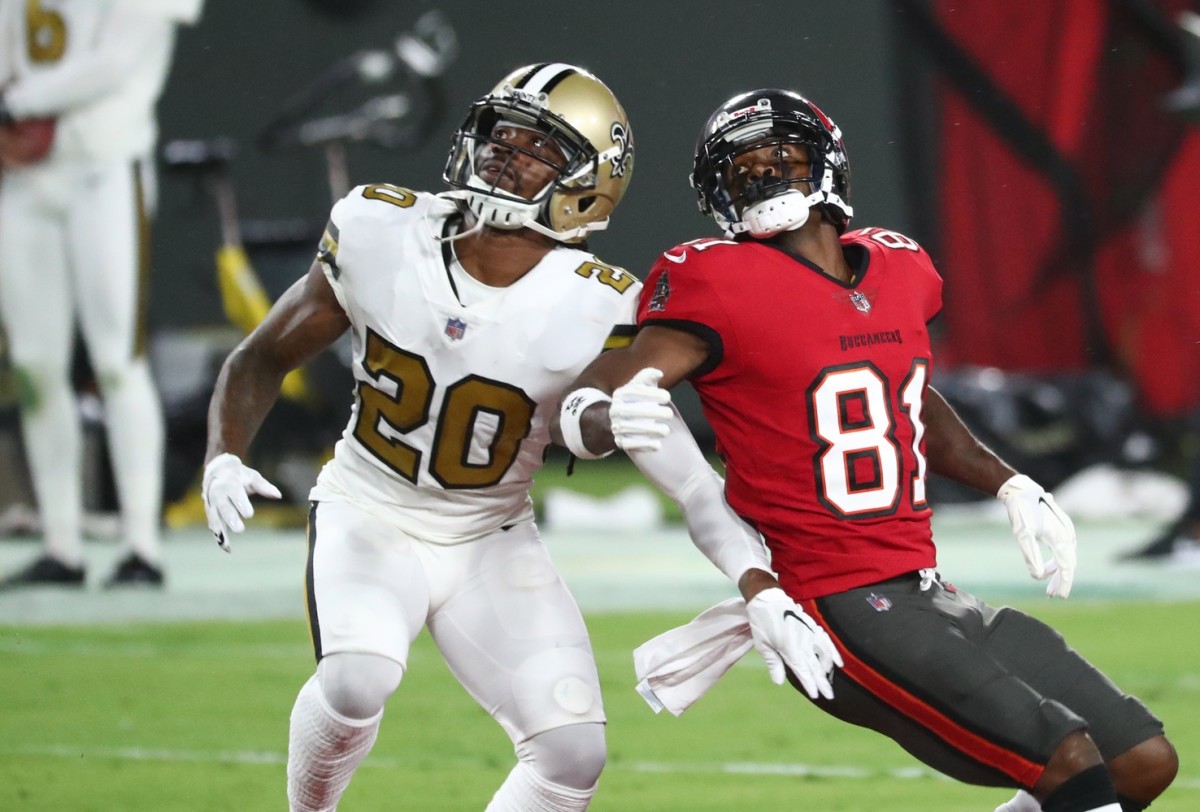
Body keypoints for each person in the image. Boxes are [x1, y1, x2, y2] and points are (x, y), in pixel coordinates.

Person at [201, 63, 819, 812]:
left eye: (538, 147)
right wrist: (223, 455)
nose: (504, 152)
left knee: (573, 754)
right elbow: (263, 355)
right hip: (370, 506)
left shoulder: (605, 304)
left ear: (589, 184)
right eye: (502, 133)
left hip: (491, 531)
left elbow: (689, 480)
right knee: (356, 677)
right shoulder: (378, 227)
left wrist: (758, 587)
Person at [554, 88, 1179, 812]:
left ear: (827, 164)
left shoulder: (899, 266)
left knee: (1141, 761)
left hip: (924, 586)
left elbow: (901, 397)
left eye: (778, 157)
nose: (759, 177)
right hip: (835, 603)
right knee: (1069, 765)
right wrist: (600, 418)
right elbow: (597, 394)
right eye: (740, 169)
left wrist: (1010, 483)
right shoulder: (713, 281)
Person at [0, 0, 205, 589]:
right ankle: (60, 544)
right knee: (34, 365)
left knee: (119, 359)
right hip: (25, 177)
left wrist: (16, 103)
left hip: (106, 166)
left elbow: (113, 64)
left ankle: (142, 545)